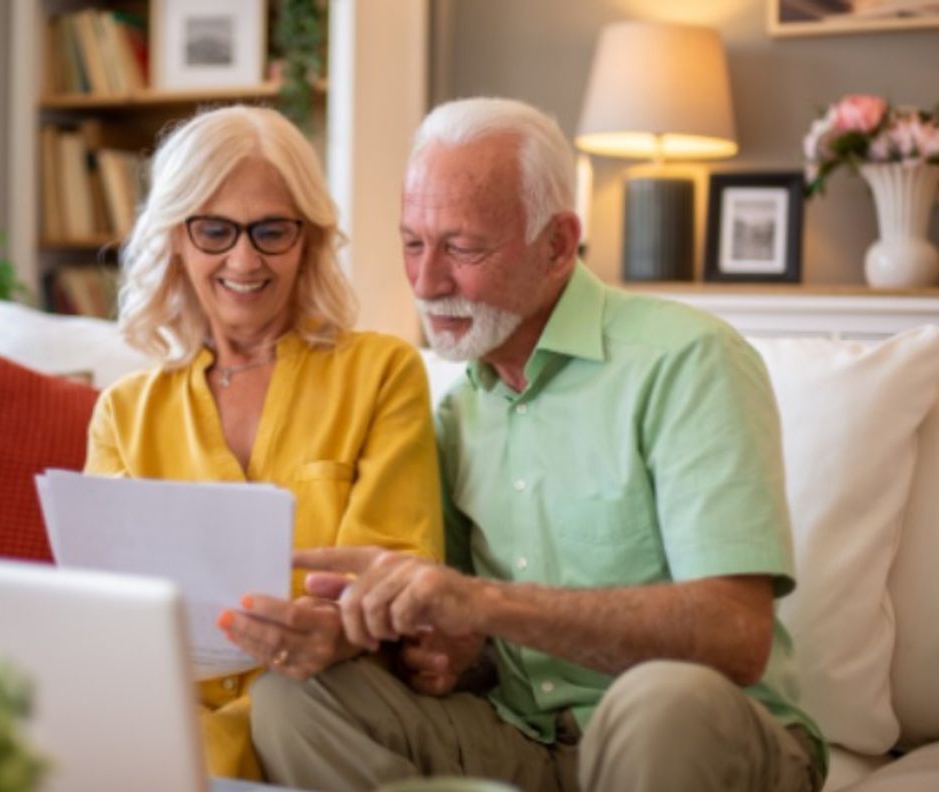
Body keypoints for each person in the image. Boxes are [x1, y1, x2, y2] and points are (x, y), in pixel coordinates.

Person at [249, 97, 827, 792]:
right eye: (412, 242)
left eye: (462, 247)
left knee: (658, 701)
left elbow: (736, 635)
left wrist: (486, 604)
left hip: (695, 736)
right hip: (527, 742)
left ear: (557, 244)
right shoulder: (457, 412)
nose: (427, 283)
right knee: (292, 702)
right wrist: (444, 646)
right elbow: (472, 641)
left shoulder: (686, 359)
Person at [83, 106, 443, 780]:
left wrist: (337, 627)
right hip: (160, 719)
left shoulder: (381, 373)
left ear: (307, 239)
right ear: (177, 240)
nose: (243, 260)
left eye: (271, 231)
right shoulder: (123, 413)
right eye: (215, 231)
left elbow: (401, 571)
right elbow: (106, 608)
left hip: (314, 712)